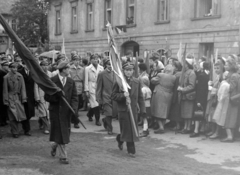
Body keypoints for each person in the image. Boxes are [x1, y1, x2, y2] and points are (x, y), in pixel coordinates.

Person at [44, 61, 78, 164]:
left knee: (65, 133)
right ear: (63, 70)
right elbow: (47, 97)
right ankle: (63, 156)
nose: (69, 70)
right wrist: (56, 96)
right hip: (55, 111)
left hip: (67, 112)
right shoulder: (52, 81)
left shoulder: (71, 81)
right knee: (61, 133)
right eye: (68, 68)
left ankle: (54, 145)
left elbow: (74, 97)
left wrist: (74, 109)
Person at [112, 61, 146, 158]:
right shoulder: (119, 82)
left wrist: (143, 110)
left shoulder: (137, 81)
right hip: (123, 110)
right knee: (127, 130)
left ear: (133, 71)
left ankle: (124, 143)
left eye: (130, 70)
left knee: (131, 129)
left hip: (134, 110)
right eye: (126, 70)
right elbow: (113, 96)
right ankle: (127, 146)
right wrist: (123, 95)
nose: (128, 72)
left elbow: (140, 97)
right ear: (123, 71)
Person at [3, 62, 27, 138]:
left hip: (18, 98)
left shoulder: (20, 76)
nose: (15, 69)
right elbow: (5, 90)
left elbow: (23, 88)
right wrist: (6, 100)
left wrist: (24, 98)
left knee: (19, 115)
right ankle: (15, 131)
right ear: (10, 68)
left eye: (16, 68)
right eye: (13, 68)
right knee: (12, 116)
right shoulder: (6, 77)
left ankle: (16, 129)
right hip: (10, 98)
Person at [151, 64, 176, 134]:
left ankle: (161, 127)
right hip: (169, 95)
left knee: (157, 111)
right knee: (165, 111)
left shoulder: (160, 75)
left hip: (159, 94)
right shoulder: (174, 77)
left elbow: (152, 81)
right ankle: (163, 126)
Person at [221, 55, 240, 142]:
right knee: (231, 117)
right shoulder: (233, 74)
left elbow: (231, 88)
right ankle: (231, 135)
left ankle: (229, 136)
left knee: (228, 118)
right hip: (232, 99)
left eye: (227, 65)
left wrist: (224, 83)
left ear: (231, 66)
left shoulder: (233, 76)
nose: (225, 66)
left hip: (231, 99)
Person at [190, 62, 210, 137]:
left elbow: (200, 89)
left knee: (197, 114)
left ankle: (196, 130)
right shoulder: (209, 74)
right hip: (207, 96)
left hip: (201, 96)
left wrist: (198, 100)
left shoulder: (201, 75)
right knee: (204, 113)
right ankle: (202, 129)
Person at [206, 59, 225, 137]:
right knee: (212, 114)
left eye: (218, 68)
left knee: (217, 115)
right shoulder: (216, 76)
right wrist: (211, 84)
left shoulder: (223, 76)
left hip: (218, 98)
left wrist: (212, 88)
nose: (216, 70)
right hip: (213, 97)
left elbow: (221, 88)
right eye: (215, 68)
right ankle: (213, 130)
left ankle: (217, 132)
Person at [96, 58, 115, 135]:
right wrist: (98, 98)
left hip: (114, 97)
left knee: (113, 114)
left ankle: (105, 120)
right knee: (109, 113)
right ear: (105, 65)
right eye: (108, 64)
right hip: (106, 96)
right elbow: (99, 87)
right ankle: (110, 129)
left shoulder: (115, 73)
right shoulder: (102, 74)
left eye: (111, 64)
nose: (110, 66)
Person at [178, 58, 196, 134]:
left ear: (188, 65)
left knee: (188, 113)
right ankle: (185, 126)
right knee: (184, 112)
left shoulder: (192, 73)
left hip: (188, 96)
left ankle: (188, 127)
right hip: (183, 95)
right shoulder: (184, 72)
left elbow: (192, 86)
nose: (183, 65)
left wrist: (183, 89)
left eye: (185, 64)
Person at [84, 54, 104, 126]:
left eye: (97, 58)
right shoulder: (87, 68)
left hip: (99, 87)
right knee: (96, 104)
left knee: (95, 104)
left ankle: (89, 114)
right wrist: (86, 90)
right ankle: (97, 120)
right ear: (91, 60)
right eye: (94, 59)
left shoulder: (101, 68)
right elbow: (86, 79)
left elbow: (103, 79)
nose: (96, 60)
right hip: (91, 87)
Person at [17, 58, 35, 136]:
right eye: (26, 64)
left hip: (30, 96)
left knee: (30, 113)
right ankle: (26, 129)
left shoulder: (32, 72)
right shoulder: (19, 73)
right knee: (24, 112)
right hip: (22, 95)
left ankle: (25, 126)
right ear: (23, 65)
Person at [211, 72, 230, 140]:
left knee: (221, 117)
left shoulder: (225, 84)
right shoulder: (225, 84)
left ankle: (218, 132)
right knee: (220, 117)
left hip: (224, 102)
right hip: (223, 102)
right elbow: (221, 95)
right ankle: (217, 132)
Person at [34, 61, 50, 134]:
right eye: (43, 65)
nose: (45, 67)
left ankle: (41, 122)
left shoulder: (50, 74)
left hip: (49, 95)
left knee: (47, 111)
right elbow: (36, 86)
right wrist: (37, 97)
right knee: (43, 112)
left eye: (46, 65)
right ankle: (46, 127)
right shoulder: (38, 74)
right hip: (41, 94)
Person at [69, 55, 84, 129]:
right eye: (75, 60)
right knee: (75, 106)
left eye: (78, 60)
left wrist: (84, 90)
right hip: (72, 88)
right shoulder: (69, 68)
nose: (77, 61)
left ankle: (73, 117)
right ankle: (76, 122)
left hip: (79, 88)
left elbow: (84, 80)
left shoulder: (82, 69)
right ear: (73, 61)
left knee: (78, 105)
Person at [168, 60, 182, 131]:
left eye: (173, 66)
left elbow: (175, 86)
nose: (172, 67)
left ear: (176, 67)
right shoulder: (179, 74)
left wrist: (174, 97)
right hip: (178, 94)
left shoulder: (177, 75)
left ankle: (178, 125)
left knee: (176, 110)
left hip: (176, 95)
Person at [0, 61, 9, 127]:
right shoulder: (2, 73)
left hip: (4, 91)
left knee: (4, 107)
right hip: (2, 91)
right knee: (2, 107)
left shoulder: (6, 72)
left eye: (7, 65)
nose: (7, 66)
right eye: (5, 65)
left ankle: (4, 120)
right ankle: (2, 121)